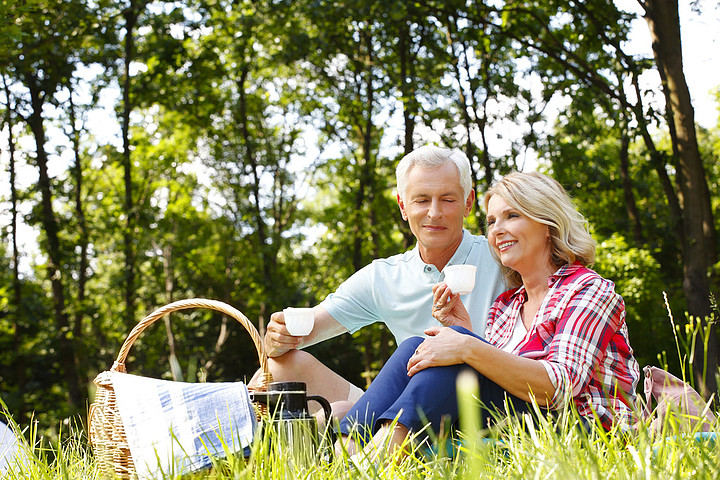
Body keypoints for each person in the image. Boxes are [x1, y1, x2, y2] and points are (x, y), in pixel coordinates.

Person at [337, 171, 640, 458]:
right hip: (520, 422)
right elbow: (495, 377)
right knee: (415, 347)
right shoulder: (507, 305)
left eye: (512, 215)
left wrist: (466, 345)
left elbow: (558, 388)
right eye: (492, 221)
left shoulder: (588, 289)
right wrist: (463, 330)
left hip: (585, 431)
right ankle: (346, 451)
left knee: (455, 345)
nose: (496, 230)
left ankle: (382, 454)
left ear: (547, 224)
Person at [252, 145, 506, 418]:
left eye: (447, 199)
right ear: (403, 206)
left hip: (484, 404)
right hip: (404, 406)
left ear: (468, 202)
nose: (434, 212)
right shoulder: (383, 277)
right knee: (283, 366)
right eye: (421, 200)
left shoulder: (503, 258)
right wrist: (276, 339)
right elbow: (300, 333)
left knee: (342, 411)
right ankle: (228, 451)